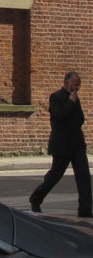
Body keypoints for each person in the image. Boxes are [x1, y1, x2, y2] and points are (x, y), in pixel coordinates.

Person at [30, 71, 93, 217]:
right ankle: (36, 198)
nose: (78, 87)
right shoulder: (56, 97)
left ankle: (85, 210)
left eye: (79, 85)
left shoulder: (76, 99)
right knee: (55, 175)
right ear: (67, 82)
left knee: (83, 175)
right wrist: (71, 103)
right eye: (76, 84)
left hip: (77, 143)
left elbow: (80, 119)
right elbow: (59, 117)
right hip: (62, 144)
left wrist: (73, 103)